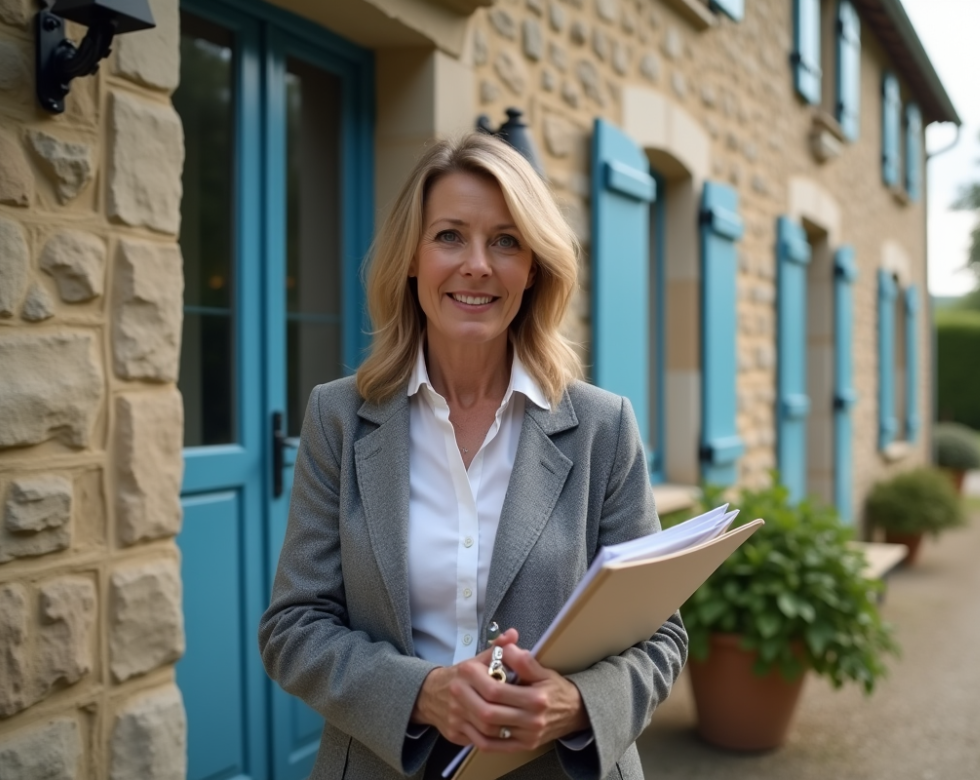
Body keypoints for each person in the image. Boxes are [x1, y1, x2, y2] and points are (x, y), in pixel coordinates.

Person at [258, 133, 687, 780]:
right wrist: (423, 693)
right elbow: (293, 627)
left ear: (534, 267)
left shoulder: (605, 427)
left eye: (506, 241)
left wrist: (574, 705)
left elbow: (661, 636)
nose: (478, 265)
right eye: (449, 236)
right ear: (412, 257)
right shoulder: (337, 418)